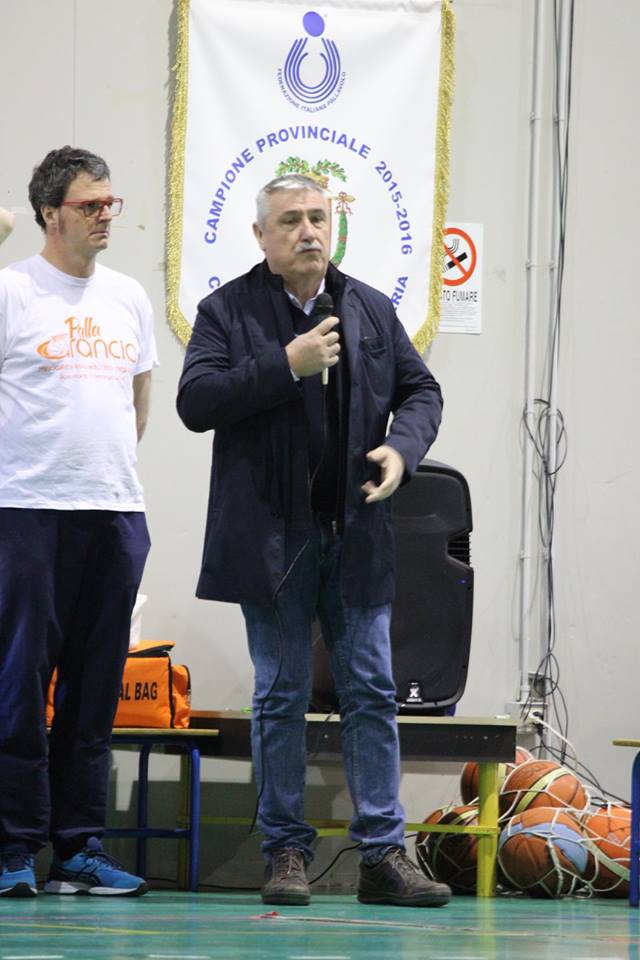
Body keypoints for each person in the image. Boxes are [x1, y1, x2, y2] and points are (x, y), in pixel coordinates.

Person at [177, 173, 449, 908]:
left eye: (318, 218)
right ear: (261, 235)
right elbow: (195, 402)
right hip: (273, 540)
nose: (308, 231)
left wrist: (404, 449)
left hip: (355, 535)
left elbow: (421, 391)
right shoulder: (226, 311)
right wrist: (284, 365)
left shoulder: (368, 307)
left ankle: (383, 856)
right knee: (280, 695)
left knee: (372, 692)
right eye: (291, 220)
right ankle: (286, 851)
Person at [0, 147, 157, 898]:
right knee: (19, 684)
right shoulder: (12, 291)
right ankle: (12, 849)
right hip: (26, 513)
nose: (103, 216)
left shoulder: (129, 297)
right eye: (89, 205)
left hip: (115, 514)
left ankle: (78, 849)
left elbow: (139, 402)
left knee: (94, 693)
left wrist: (104, 475)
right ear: (49, 213)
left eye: (108, 203)